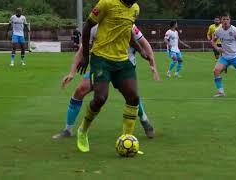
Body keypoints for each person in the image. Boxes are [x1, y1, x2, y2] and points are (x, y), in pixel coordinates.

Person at [52, 24, 160, 140]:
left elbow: (145, 44)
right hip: (103, 66)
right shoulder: (94, 27)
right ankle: (68, 130)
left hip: (124, 66)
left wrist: (153, 65)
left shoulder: (128, 23)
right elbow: (82, 50)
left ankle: (144, 120)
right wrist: (72, 73)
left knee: (132, 96)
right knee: (80, 90)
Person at [76, 0, 141, 152]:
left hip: (122, 60)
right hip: (101, 59)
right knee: (100, 98)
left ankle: (127, 140)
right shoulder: (106, 3)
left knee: (134, 98)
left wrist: (141, 50)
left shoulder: (135, 9)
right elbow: (87, 27)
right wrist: (85, 56)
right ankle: (83, 130)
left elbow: (127, 32)